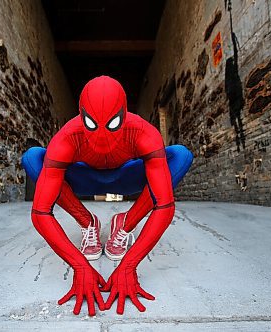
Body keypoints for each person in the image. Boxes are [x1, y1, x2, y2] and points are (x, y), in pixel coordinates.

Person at [21, 75, 193, 316]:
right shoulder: (67, 137)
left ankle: (124, 225)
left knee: (180, 155)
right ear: (81, 115)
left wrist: (128, 266)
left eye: (113, 123)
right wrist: (80, 267)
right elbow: (40, 212)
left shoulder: (143, 132)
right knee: (33, 157)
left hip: (127, 176)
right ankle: (86, 221)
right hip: (83, 178)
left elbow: (164, 205)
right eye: (91, 123)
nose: (102, 137)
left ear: (124, 112)